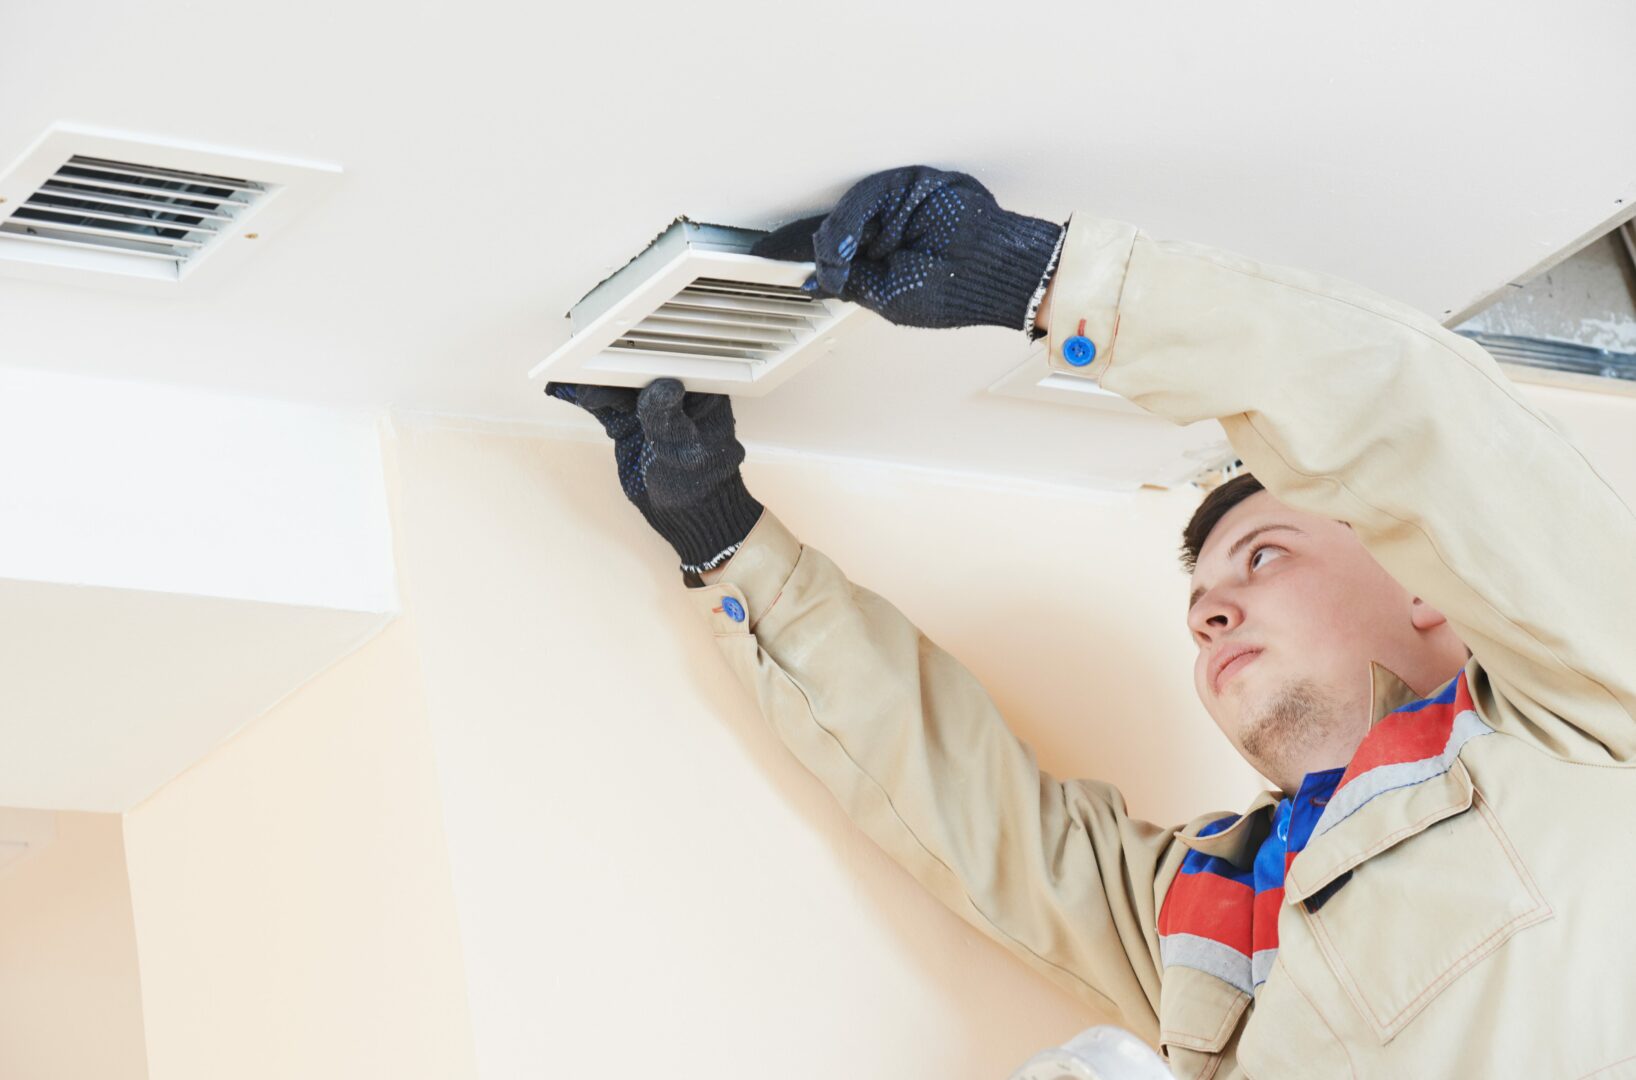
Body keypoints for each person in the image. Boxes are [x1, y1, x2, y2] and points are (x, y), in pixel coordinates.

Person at [546, 166, 1636, 1078]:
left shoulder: (1586, 715)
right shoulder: (1215, 908)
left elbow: (1411, 428)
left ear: (1423, 578)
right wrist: (727, 538)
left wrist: (1046, 276)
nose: (1210, 612)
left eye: (1264, 556)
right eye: (1204, 598)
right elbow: (980, 814)